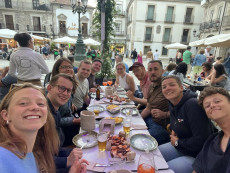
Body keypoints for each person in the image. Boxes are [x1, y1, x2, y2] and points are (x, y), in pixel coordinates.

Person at [159, 76, 215, 173]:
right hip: (182, 147)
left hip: (199, 155)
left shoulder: (192, 105)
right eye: (164, 87)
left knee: (163, 169)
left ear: (181, 88)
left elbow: (202, 140)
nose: (167, 88)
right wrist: (174, 129)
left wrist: (177, 142)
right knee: (154, 154)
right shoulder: (172, 103)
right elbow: (177, 121)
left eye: (172, 85)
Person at [0, 83, 59, 172]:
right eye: (23, 103)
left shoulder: (37, 152)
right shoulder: (2, 157)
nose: (35, 107)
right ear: (6, 115)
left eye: (41, 104)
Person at [46, 74, 88, 172]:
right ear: (49, 88)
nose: (65, 93)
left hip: (57, 152)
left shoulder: (55, 111)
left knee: (86, 154)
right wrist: (67, 161)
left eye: (68, 91)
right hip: (47, 164)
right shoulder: (43, 115)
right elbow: (38, 158)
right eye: (61, 88)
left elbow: (55, 148)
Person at [192, 87, 230, 173]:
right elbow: (197, 169)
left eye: (217, 101)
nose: (212, 106)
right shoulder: (211, 142)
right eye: (207, 106)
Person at [141, 60, 170, 145]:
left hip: (163, 128)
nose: (152, 72)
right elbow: (148, 108)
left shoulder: (168, 86)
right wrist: (135, 120)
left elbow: (181, 111)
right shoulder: (151, 86)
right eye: (150, 70)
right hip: (151, 120)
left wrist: (165, 114)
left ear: (162, 71)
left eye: (156, 69)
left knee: (142, 140)